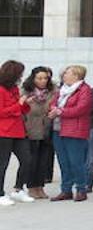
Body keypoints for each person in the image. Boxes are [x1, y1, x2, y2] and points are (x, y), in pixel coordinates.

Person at [49, 65, 93, 202]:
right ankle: (66, 190)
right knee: (63, 162)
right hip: (58, 129)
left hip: (75, 130)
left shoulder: (84, 90)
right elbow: (53, 103)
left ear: (76, 76)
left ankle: (81, 189)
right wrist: (53, 110)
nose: (64, 75)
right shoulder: (62, 90)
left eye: (67, 73)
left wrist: (61, 112)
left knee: (76, 162)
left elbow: (81, 109)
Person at [16, 66, 56, 199]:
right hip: (30, 128)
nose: (43, 81)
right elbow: (21, 108)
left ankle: (40, 186)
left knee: (43, 160)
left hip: (46, 128)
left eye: (45, 78)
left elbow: (55, 105)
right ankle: (31, 187)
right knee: (32, 159)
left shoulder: (53, 91)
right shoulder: (25, 91)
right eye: (39, 78)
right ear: (33, 79)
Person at [0, 60, 31, 206]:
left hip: (18, 130)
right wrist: (17, 105)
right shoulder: (1, 90)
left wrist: (25, 103)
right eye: (20, 73)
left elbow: (21, 110)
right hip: (4, 131)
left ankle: (18, 189)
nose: (21, 76)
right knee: (2, 164)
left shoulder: (14, 88)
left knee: (27, 159)